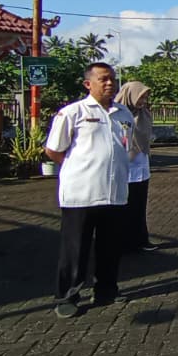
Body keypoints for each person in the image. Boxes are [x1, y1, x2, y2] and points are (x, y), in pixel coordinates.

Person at [44, 62, 134, 318]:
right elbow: (53, 149)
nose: (110, 84)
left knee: (110, 246)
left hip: (114, 192)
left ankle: (106, 289)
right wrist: (77, 167)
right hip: (81, 193)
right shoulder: (73, 113)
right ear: (88, 84)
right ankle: (67, 295)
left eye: (112, 79)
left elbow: (124, 145)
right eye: (103, 79)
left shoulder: (123, 113)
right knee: (76, 248)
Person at [115, 81, 158, 252]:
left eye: (145, 97)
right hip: (122, 166)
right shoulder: (116, 114)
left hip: (141, 164)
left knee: (139, 205)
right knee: (122, 207)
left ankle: (141, 239)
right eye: (141, 97)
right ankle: (122, 243)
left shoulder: (144, 114)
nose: (143, 100)